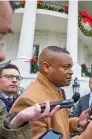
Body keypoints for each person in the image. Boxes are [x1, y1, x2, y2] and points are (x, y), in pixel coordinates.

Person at [11, 46, 92, 139]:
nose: (71, 72)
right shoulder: (30, 100)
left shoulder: (56, 90)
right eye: (66, 67)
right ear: (46, 67)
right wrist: (87, 136)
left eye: (71, 67)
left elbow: (57, 127)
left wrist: (77, 122)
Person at [0, 1, 61, 139]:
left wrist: (18, 120)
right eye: (9, 76)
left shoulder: (19, 100)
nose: (14, 80)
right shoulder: (28, 98)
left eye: (17, 77)